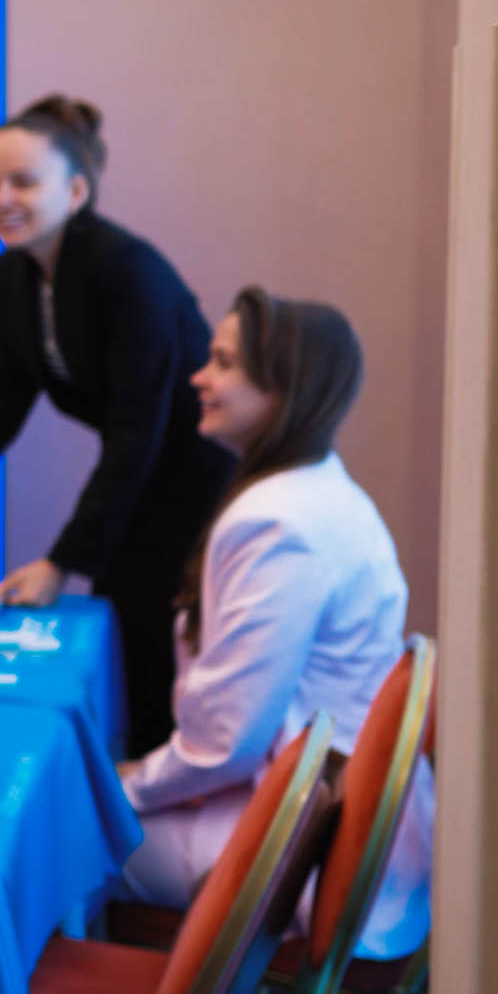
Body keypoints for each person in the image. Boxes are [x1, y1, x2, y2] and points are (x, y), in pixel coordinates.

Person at [0, 96, 232, 753]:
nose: (1, 199)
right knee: (120, 639)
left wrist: (61, 562)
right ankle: (132, 778)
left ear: (76, 191)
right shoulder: (14, 274)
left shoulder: (128, 271)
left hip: (193, 480)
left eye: (23, 182)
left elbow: (138, 432)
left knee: (148, 643)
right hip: (138, 473)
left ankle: (156, 793)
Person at [119, 288, 432, 957]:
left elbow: (227, 741)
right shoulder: (320, 491)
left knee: (63, 835)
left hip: (303, 841)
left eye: (224, 363)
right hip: (325, 816)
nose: (199, 378)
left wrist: (129, 785)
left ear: (284, 388)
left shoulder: (276, 523)